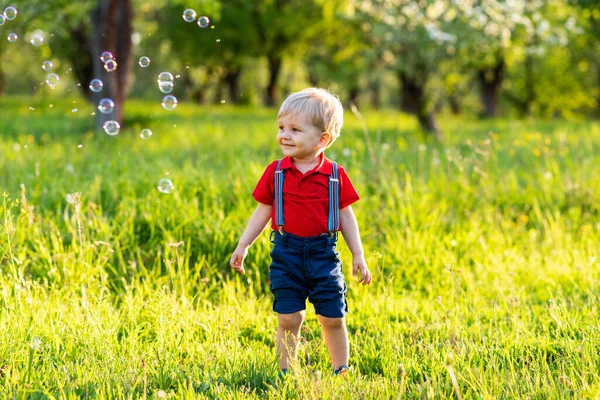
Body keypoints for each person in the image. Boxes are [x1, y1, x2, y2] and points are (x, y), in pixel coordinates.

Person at [229, 87, 372, 378]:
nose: (284, 135)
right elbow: (263, 211)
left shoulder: (334, 174)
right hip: (287, 252)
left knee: (332, 316)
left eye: (295, 129)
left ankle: (341, 369)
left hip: (323, 254)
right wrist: (243, 245)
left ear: (323, 139)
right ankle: (286, 371)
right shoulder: (276, 172)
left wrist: (358, 253)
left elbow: (346, 215)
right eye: (282, 128)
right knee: (288, 317)